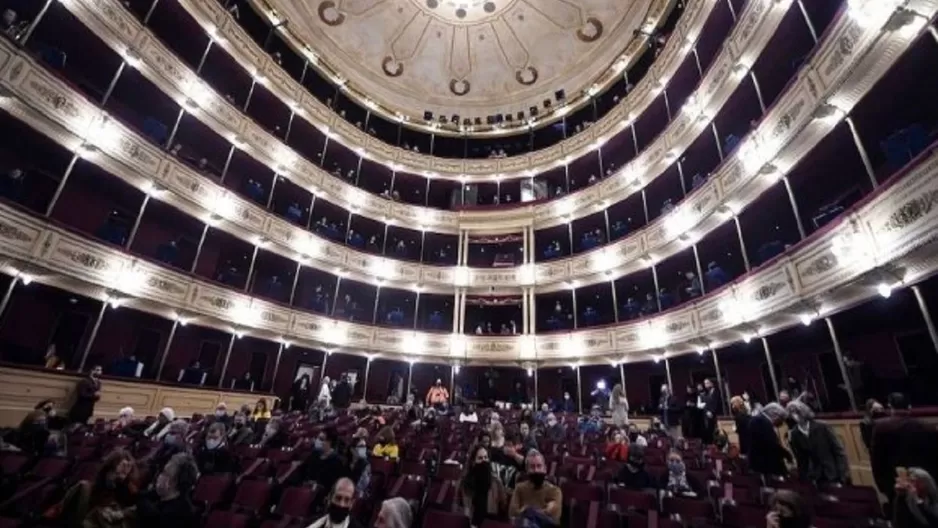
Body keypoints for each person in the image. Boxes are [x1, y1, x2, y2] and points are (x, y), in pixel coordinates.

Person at [872, 393, 938, 507]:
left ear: (890, 407)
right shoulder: (926, 427)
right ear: (909, 407)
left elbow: (877, 461)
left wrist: (883, 486)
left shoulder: (880, 427)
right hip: (923, 483)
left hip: (896, 484)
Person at [49, 449, 137, 527]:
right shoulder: (84, 489)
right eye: (113, 472)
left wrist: (123, 479)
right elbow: (60, 512)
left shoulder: (127, 497)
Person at [786, 400, 848, 484]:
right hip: (815, 477)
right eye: (792, 413)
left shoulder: (822, 426)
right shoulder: (795, 433)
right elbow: (801, 460)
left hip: (833, 473)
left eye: (797, 412)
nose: (795, 416)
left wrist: (843, 476)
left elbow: (839, 451)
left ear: (803, 411)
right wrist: (804, 480)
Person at [136, 453, 200, 528]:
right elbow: (140, 495)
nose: (160, 476)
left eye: (165, 473)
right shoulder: (158, 495)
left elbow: (154, 520)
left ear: (174, 483)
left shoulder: (180, 513)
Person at [509, 450, 561, 526]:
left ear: (545, 469)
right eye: (532, 467)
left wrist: (526, 510)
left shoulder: (555, 491)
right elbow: (512, 514)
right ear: (527, 470)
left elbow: (553, 518)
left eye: (539, 466)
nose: (536, 470)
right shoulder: (519, 488)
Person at [461, 444, 507, 527]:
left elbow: (503, 508)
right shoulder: (465, 482)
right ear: (473, 462)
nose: (484, 461)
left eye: (486, 457)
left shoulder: (496, 482)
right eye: (480, 458)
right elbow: (461, 509)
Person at [748, 403, 792, 477]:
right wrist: (786, 454)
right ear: (775, 415)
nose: (781, 423)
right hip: (764, 465)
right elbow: (771, 445)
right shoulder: (763, 422)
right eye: (781, 419)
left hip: (757, 464)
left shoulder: (758, 420)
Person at [302, 428, 348, 493]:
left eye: (321, 439)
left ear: (329, 442)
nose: (317, 441)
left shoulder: (336, 461)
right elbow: (305, 472)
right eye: (318, 438)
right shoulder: (315, 453)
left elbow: (331, 484)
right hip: (305, 489)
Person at [700, 378, 722, 442]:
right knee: (710, 430)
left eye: (707, 383)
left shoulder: (716, 391)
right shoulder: (707, 393)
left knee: (717, 430)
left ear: (711, 383)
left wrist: (712, 412)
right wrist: (707, 411)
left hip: (716, 414)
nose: (705, 385)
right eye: (705, 383)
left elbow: (716, 403)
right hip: (708, 414)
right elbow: (706, 404)